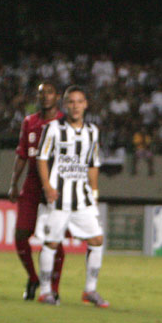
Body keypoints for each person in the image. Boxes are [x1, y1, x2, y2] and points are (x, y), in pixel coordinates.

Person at [35, 85, 109, 308]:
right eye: (71, 102)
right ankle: (46, 291)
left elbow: (93, 164)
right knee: (51, 242)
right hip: (58, 197)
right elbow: (41, 158)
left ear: (85, 104)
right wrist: (47, 186)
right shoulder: (53, 129)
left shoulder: (92, 131)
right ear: (64, 105)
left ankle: (90, 290)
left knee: (97, 239)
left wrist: (94, 193)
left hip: (82, 198)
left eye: (79, 102)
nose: (75, 106)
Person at [8, 81, 65, 301]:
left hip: (56, 185)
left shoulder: (64, 124)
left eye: (49, 93)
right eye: (41, 93)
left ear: (57, 96)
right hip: (31, 184)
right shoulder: (29, 122)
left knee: (54, 240)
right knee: (21, 234)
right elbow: (22, 154)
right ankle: (33, 278)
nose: (45, 97)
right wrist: (14, 183)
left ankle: (54, 287)